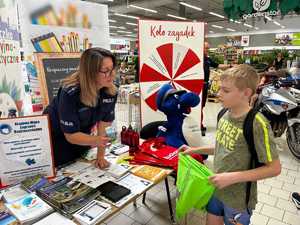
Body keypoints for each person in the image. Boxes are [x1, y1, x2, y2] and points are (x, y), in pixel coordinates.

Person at [180, 64, 281, 225]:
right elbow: (224, 147)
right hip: (216, 190)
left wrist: (232, 178)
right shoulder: (224, 114)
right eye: (219, 89)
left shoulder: (256, 123)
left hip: (238, 201)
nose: (218, 94)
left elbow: (274, 168)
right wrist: (194, 150)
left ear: (246, 93)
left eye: (225, 91)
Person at [44, 48, 118, 168]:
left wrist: (100, 157)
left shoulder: (111, 91)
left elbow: (103, 126)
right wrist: (97, 140)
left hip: (82, 135)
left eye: (113, 69)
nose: (112, 75)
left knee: (81, 162)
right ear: (90, 72)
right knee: (63, 165)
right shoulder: (70, 92)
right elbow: (71, 135)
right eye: (106, 71)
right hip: (56, 137)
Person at [201, 42, 229, 134]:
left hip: (205, 85)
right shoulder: (198, 58)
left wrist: (230, 66)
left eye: (208, 48)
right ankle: (199, 124)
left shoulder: (208, 59)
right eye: (206, 48)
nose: (207, 50)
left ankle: (200, 123)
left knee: (203, 105)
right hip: (198, 85)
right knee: (199, 106)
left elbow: (218, 66)